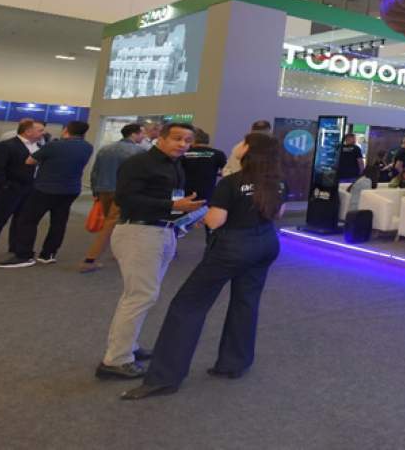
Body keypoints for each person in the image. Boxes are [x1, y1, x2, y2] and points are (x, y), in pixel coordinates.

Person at [122, 133, 285, 399]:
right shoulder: (277, 182)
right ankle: (235, 363)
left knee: (187, 305)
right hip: (266, 244)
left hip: (232, 248)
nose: (237, 144)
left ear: (248, 150)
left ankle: (164, 377)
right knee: (246, 302)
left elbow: (215, 221)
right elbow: (277, 213)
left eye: (242, 141)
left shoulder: (231, 182)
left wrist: (204, 215)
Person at [95, 123, 205, 380]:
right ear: (161, 138)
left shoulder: (175, 164)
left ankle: (128, 347)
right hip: (139, 233)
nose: (183, 144)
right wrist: (173, 205)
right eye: (177, 138)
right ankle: (116, 360)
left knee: (142, 295)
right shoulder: (139, 163)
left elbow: (168, 199)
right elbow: (125, 199)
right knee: (140, 296)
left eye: (188, 140)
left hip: (163, 231)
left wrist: (185, 212)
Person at [0, 120, 93, 267]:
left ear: (66, 130)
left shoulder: (54, 145)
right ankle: (49, 254)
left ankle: (24, 255)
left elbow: (29, 161)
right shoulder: (87, 147)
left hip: (45, 189)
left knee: (27, 220)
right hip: (71, 189)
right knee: (59, 222)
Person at [82, 123, 147, 273]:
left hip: (104, 190)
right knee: (111, 225)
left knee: (112, 223)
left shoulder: (105, 149)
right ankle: (90, 259)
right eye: (141, 133)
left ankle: (118, 251)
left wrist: (95, 190)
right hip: (122, 193)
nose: (143, 136)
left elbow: (95, 171)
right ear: (134, 134)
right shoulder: (139, 152)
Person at [0, 119, 43, 261]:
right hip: (9, 189)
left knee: (21, 220)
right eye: (40, 130)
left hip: (30, 189)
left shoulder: (39, 147)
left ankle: (16, 247)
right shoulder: (6, 146)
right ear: (28, 131)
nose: (43, 133)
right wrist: (4, 185)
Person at [182, 129, 227, 208]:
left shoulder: (184, 153)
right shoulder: (218, 154)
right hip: (207, 193)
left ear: (193, 140)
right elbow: (226, 172)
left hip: (185, 193)